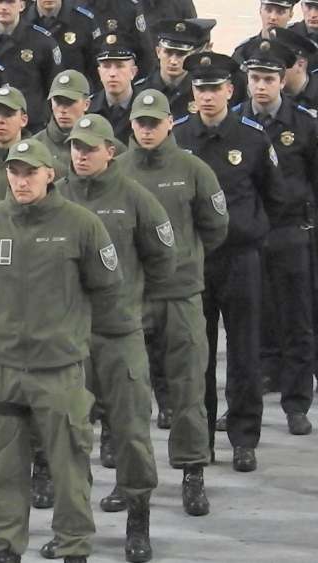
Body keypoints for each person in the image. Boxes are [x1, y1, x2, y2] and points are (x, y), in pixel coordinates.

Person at [0, 138, 122, 563]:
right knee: (3, 470)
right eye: (14, 172)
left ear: (50, 173)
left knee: (70, 469)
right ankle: (8, 547)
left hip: (58, 370)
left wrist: (73, 338)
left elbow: (107, 288)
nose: (21, 180)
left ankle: (74, 548)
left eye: (30, 172)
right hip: (3, 369)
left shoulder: (82, 225)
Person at [57, 114, 175, 563]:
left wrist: (136, 307)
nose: (81, 155)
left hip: (119, 335)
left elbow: (164, 260)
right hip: (69, 340)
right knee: (69, 437)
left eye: (90, 148)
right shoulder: (56, 197)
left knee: (130, 432)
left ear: (111, 151)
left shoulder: (135, 198)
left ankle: (138, 520)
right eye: (75, 147)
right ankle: (74, 529)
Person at [116, 89, 227, 515]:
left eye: (154, 123)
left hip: (181, 296)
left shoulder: (193, 169)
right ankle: (132, 481)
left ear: (169, 123)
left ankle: (192, 471)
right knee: (130, 395)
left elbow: (215, 226)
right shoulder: (117, 170)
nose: (146, 130)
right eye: (140, 123)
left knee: (188, 386)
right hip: (133, 298)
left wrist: (185, 260)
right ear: (132, 125)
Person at [174, 52, 285, 473]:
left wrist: (252, 233)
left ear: (229, 91)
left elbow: (275, 196)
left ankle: (243, 437)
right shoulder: (179, 137)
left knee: (244, 351)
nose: (206, 96)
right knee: (196, 354)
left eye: (214, 89)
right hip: (194, 261)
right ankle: (200, 440)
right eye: (200, 88)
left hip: (240, 259)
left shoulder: (252, 137)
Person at [232, 38, 316, 435]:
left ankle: (297, 403)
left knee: (297, 321)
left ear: (282, 80)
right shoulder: (235, 122)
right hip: (247, 236)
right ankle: (243, 405)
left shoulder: (305, 125)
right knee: (245, 326)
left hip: (290, 231)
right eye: (254, 79)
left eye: (268, 79)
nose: (260, 86)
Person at [0, 0, 63, 133]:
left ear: (22, 5)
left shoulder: (42, 41)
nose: (4, 7)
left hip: (31, 126)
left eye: (10, 2)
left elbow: (54, 87)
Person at [33, 69, 91, 176]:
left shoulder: (104, 146)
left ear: (86, 104)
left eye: (70, 102)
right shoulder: (34, 147)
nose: (63, 109)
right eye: (58, 101)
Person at [88, 33, 141, 143]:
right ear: (99, 73)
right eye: (106, 66)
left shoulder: (146, 108)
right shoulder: (87, 109)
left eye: (119, 66)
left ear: (133, 72)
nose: (112, 73)